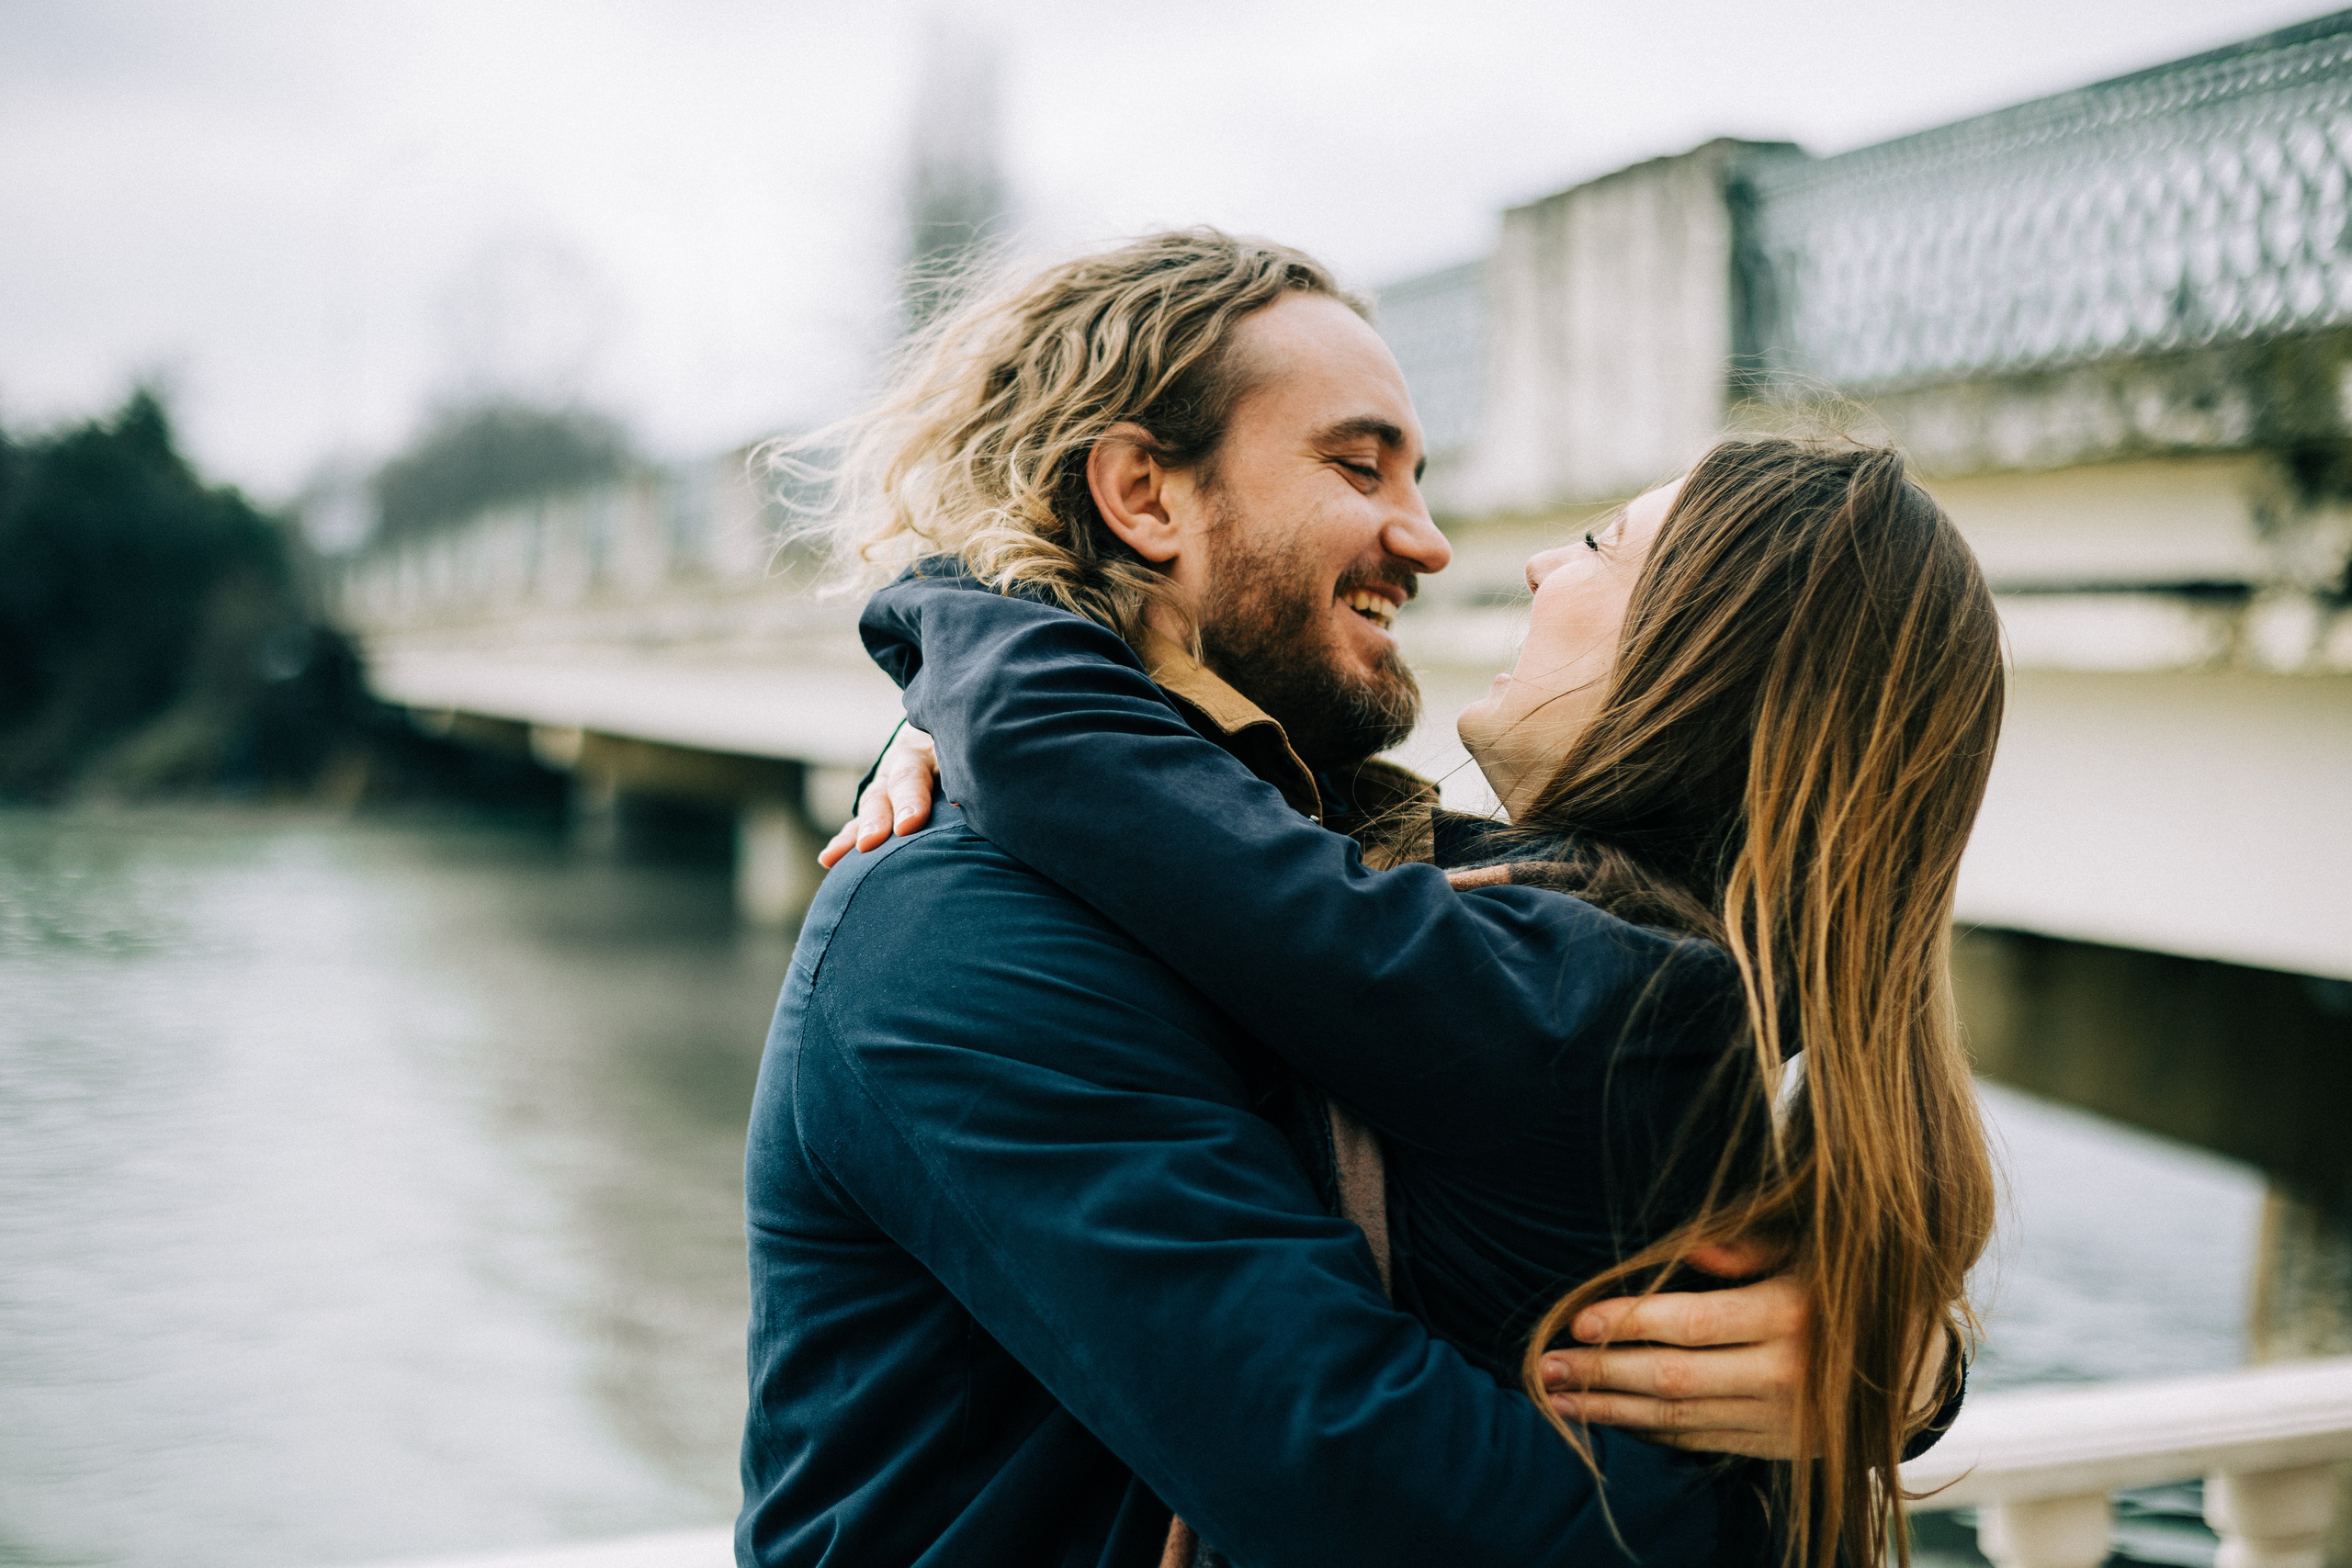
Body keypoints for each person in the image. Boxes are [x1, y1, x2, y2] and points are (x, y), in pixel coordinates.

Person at [740, 231, 1936, 1568]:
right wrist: (1725, 1508)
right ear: (1143, 494)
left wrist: (1884, 1341)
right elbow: (1383, 1496)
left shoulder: (1361, 873)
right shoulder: (956, 934)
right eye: (1359, 467)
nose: (1432, 542)